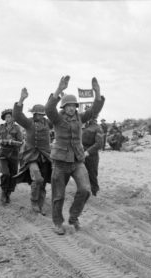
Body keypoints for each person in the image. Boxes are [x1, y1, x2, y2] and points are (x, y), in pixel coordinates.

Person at [45, 75, 105, 235]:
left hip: (78, 160)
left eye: (74, 106)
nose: (72, 108)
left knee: (85, 189)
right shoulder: (57, 119)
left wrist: (97, 92)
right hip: (60, 162)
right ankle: (58, 222)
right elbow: (49, 109)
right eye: (68, 105)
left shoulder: (80, 118)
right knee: (58, 195)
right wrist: (59, 89)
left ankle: (73, 217)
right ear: (63, 107)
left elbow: (94, 111)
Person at [13, 88, 52, 215]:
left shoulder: (48, 123)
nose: (40, 116)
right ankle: (34, 202)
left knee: (44, 181)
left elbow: (56, 116)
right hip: (31, 156)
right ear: (34, 114)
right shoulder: (29, 123)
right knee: (38, 179)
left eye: (42, 114)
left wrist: (57, 99)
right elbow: (17, 115)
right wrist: (21, 99)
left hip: (46, 156)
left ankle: (40, 205)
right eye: (38, 114)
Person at [0, 109, 23, 204]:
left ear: (13, 118)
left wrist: (12, 142)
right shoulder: (1, 127)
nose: (7, 119)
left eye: (9, 117)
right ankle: (3, 191)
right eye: (6, 117)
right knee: (5, 173)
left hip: (14, 154)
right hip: (3, 153)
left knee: (13, 175)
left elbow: (21, 142)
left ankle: (8, 193)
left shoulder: (17, 128)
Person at [82, 117, 103, 196]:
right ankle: (84, 192)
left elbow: (99, 144)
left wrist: (87, 152)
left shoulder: (97, 128)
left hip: (92, 156)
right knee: (82, 174)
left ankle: (95, 192)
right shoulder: (82, 126)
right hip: (81, 154)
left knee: (92, 174)